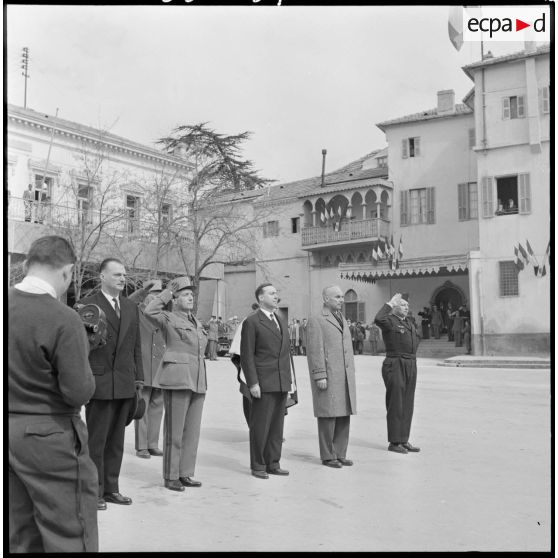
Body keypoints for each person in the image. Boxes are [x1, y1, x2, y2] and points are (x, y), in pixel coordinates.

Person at [9, 235, 98, 552]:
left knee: (21, 533)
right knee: (69, 531)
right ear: (68, 271)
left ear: (26, 265)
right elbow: (78, 392)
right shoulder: (64, 318)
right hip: (50, 436)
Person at [79, 258, 144, 510]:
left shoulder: (130, 307)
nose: (122, 278)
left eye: (124, 275)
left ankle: (111, 489)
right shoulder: (88, 305)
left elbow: (136, 346)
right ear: (102, 277)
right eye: (116, 274)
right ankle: (93, 492)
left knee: (117, 441)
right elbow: (82, 347)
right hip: (100, 381)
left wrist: (139, 378)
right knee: (96, 441)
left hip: (125, 382)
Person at [145, 277, 208, 492]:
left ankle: (185, 473)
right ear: (176, 298)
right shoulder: (167, 317)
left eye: (191, 295)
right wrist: (167, 293)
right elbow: (149, 311)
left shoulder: (196, 322)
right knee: (175, 431)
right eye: (185, 294)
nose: (190, 297)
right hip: (177, 378)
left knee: (192, 431)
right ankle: (171, 475)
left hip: (198, 380)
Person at [240, 282, 292, 479]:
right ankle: (258, 465)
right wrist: (253, 383)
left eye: (276, 293)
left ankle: (273, 462)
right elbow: (247, 356)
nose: (275, 296)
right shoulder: (252, 322)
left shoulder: (280, 320)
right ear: (261, 298)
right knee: (260, 426)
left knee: (277, 426)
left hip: (280, 381)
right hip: (262, 382)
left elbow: (285, 354)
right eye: (271, 293)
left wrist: (289, 381)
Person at [306, 285, 357, 468]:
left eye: (342, 297)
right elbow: (314, 350)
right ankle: (328, 455)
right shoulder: (317, 319)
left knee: (344, 414)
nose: (341, 300)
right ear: (325, 299)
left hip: (343, 375)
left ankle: (340, 453)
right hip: (328, 374)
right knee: (328, 415)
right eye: (337, 297)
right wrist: (319, 374)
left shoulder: (341, 318)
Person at [375, 292, 421, 455]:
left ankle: (403, 439)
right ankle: (394, 442)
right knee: (396, 403)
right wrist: (389, 303)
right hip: (395, 363)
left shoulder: (409, 322)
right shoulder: (389, 321)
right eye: (402, 305)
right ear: (394, 307)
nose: (406, 308)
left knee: (408, 402)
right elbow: (378, 319)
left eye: (407, 306)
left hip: (410, 363)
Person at [129, 279, 166, 459]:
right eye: (152, 293)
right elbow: (127, 301)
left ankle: (152, 444)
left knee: (157, 407)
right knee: (142, 408)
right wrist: (142, 291)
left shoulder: (164, 315)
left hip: (160, 368)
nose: (155, 297)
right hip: (142, 366)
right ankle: (141, 446)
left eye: (159, 294)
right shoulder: (136, 311)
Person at [230, 302, 260, 427]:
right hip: (253, 368)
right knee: (251, 399)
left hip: (271, 370)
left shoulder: (275, 320)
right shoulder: (248, 321)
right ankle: (254, 428)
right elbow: (238, 351)